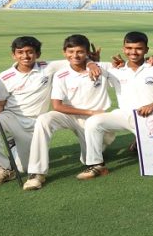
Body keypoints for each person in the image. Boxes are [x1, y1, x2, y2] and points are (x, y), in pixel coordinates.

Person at [79, 32, 153, 180]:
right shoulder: (115, 70)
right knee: (94, 122)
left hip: (152, 116)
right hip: (124, 115)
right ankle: (96, 164)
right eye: (129, 48)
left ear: (146, 49)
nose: (133, 52)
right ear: (124, 48)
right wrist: (91, 62)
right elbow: (84, 62)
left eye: (138, 48)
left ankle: (139, 143)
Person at [0, 36, 71, 187]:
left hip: (36, 124)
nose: (25, 56)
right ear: (13, 55)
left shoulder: (48, 67)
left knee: (24, 168)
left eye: (30, 52)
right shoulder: (4, 76)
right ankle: (3, 168)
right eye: (20, 52)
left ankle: (14, 147)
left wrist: (92, 62)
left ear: (37, 54)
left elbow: (75, 60)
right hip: (11, 117)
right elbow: (0, 103)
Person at [26, 34, 110, 190]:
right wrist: (90, 111)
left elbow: (130, 65)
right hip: (72, 115)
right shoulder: (61, 74)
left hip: (94, 121)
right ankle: (36, 174)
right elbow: (57, 106)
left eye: (80, 52)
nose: (75, 55)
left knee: (89, 159)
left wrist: (93, 63)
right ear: (64, 53)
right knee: (44, 119)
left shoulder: (102, 68)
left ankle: (101, 145)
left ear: (87, 52)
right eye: (71, 52)